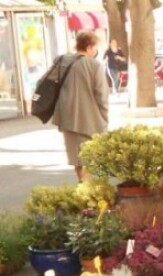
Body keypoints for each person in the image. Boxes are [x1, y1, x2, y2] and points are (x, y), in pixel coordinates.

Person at [53, 31, 109, 182]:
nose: (96, 51)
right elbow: (102, 95)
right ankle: (87, 188)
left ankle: (82, 184)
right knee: (90, 157)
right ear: (89, 47)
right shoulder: (94, 65)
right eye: (95, 47)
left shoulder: (61, 62)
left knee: (76, 157)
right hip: (90, 119)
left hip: (67, 117)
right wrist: (104, 117)